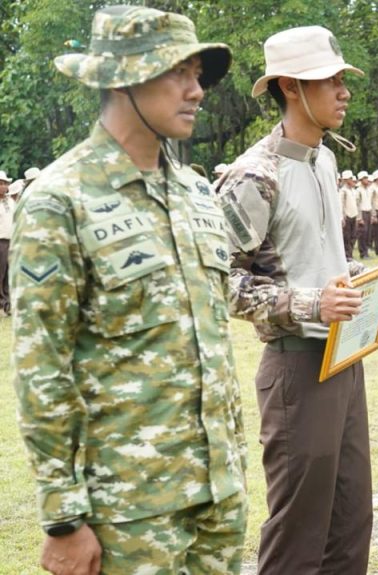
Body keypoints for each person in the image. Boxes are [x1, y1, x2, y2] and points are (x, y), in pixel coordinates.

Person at [10, 6, 247, 573]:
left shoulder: (195, 193)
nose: (196, 91)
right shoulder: (59, 200)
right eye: (177, 73)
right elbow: (42, 368)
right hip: (127, 509)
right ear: (122, 79)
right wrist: (64, 518)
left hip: (219, 491)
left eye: (199, 75)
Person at [217, 25, 378, 575]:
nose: (344, 91)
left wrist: (370, 278)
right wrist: (310, 306)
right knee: (298, 534)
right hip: (296, 371)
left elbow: (321, 259)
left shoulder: (324, 160)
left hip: (344, 360)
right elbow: (218, 281)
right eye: (329, 81)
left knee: (351, 523)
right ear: (289, 88)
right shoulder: (255, 175)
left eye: (341, 80)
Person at [339, 169, 360, 261]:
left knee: (353, 235)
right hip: (347, 216)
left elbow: (357, 204)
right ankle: (347, 255)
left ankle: (350, 253)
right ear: (346, 180)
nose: (352, 180)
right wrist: (342, 217)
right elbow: (341, 205)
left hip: (354, 215)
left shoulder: (353, 191)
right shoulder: (343, 191)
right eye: (350, 179)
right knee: (346, 237)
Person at [0, 171, 12, 316]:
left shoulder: (10, 202)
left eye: (5, 183)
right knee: (0, 273)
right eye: (0, 183)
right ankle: (1, 305)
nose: (3, 186)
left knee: (9, 273)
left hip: (11, 240)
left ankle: (7, 304)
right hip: (0, 241)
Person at [357, 170, 373, 259]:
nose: (367, 180)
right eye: (365, 178)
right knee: (362, 233)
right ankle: (362, 253)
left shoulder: (369, 189)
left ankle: (366, 251)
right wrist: (359, 217)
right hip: (362, 212)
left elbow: (371, 202)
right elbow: (358, 204)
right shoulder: (358, 190)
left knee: (368, 233)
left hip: (368, 211)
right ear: (361, 179)